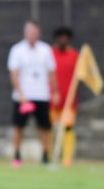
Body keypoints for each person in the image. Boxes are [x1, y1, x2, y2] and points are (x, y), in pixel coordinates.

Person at [7, 20, 59, 167]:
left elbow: (51, 72)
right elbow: (14, 74)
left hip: (42, 95)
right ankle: (17, 156)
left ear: (38, 33)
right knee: (18, 126)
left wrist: (55, 91)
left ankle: (45, 156)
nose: (32, 34)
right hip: (23, 97)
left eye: (34, 31)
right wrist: (21, 95)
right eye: (29, 31)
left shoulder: (46, 49)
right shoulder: (17, 50)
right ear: (25, 33)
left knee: (45, 127)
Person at [50, 27, 79, 167]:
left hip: (69, 100)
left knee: (68, 128)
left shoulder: (74, 55)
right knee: (51, 128)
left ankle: (67, 158)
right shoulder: (49, 53)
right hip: (52, 99)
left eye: (66, 37)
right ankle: (50, 155)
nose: (63, 40)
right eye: (60, 37)